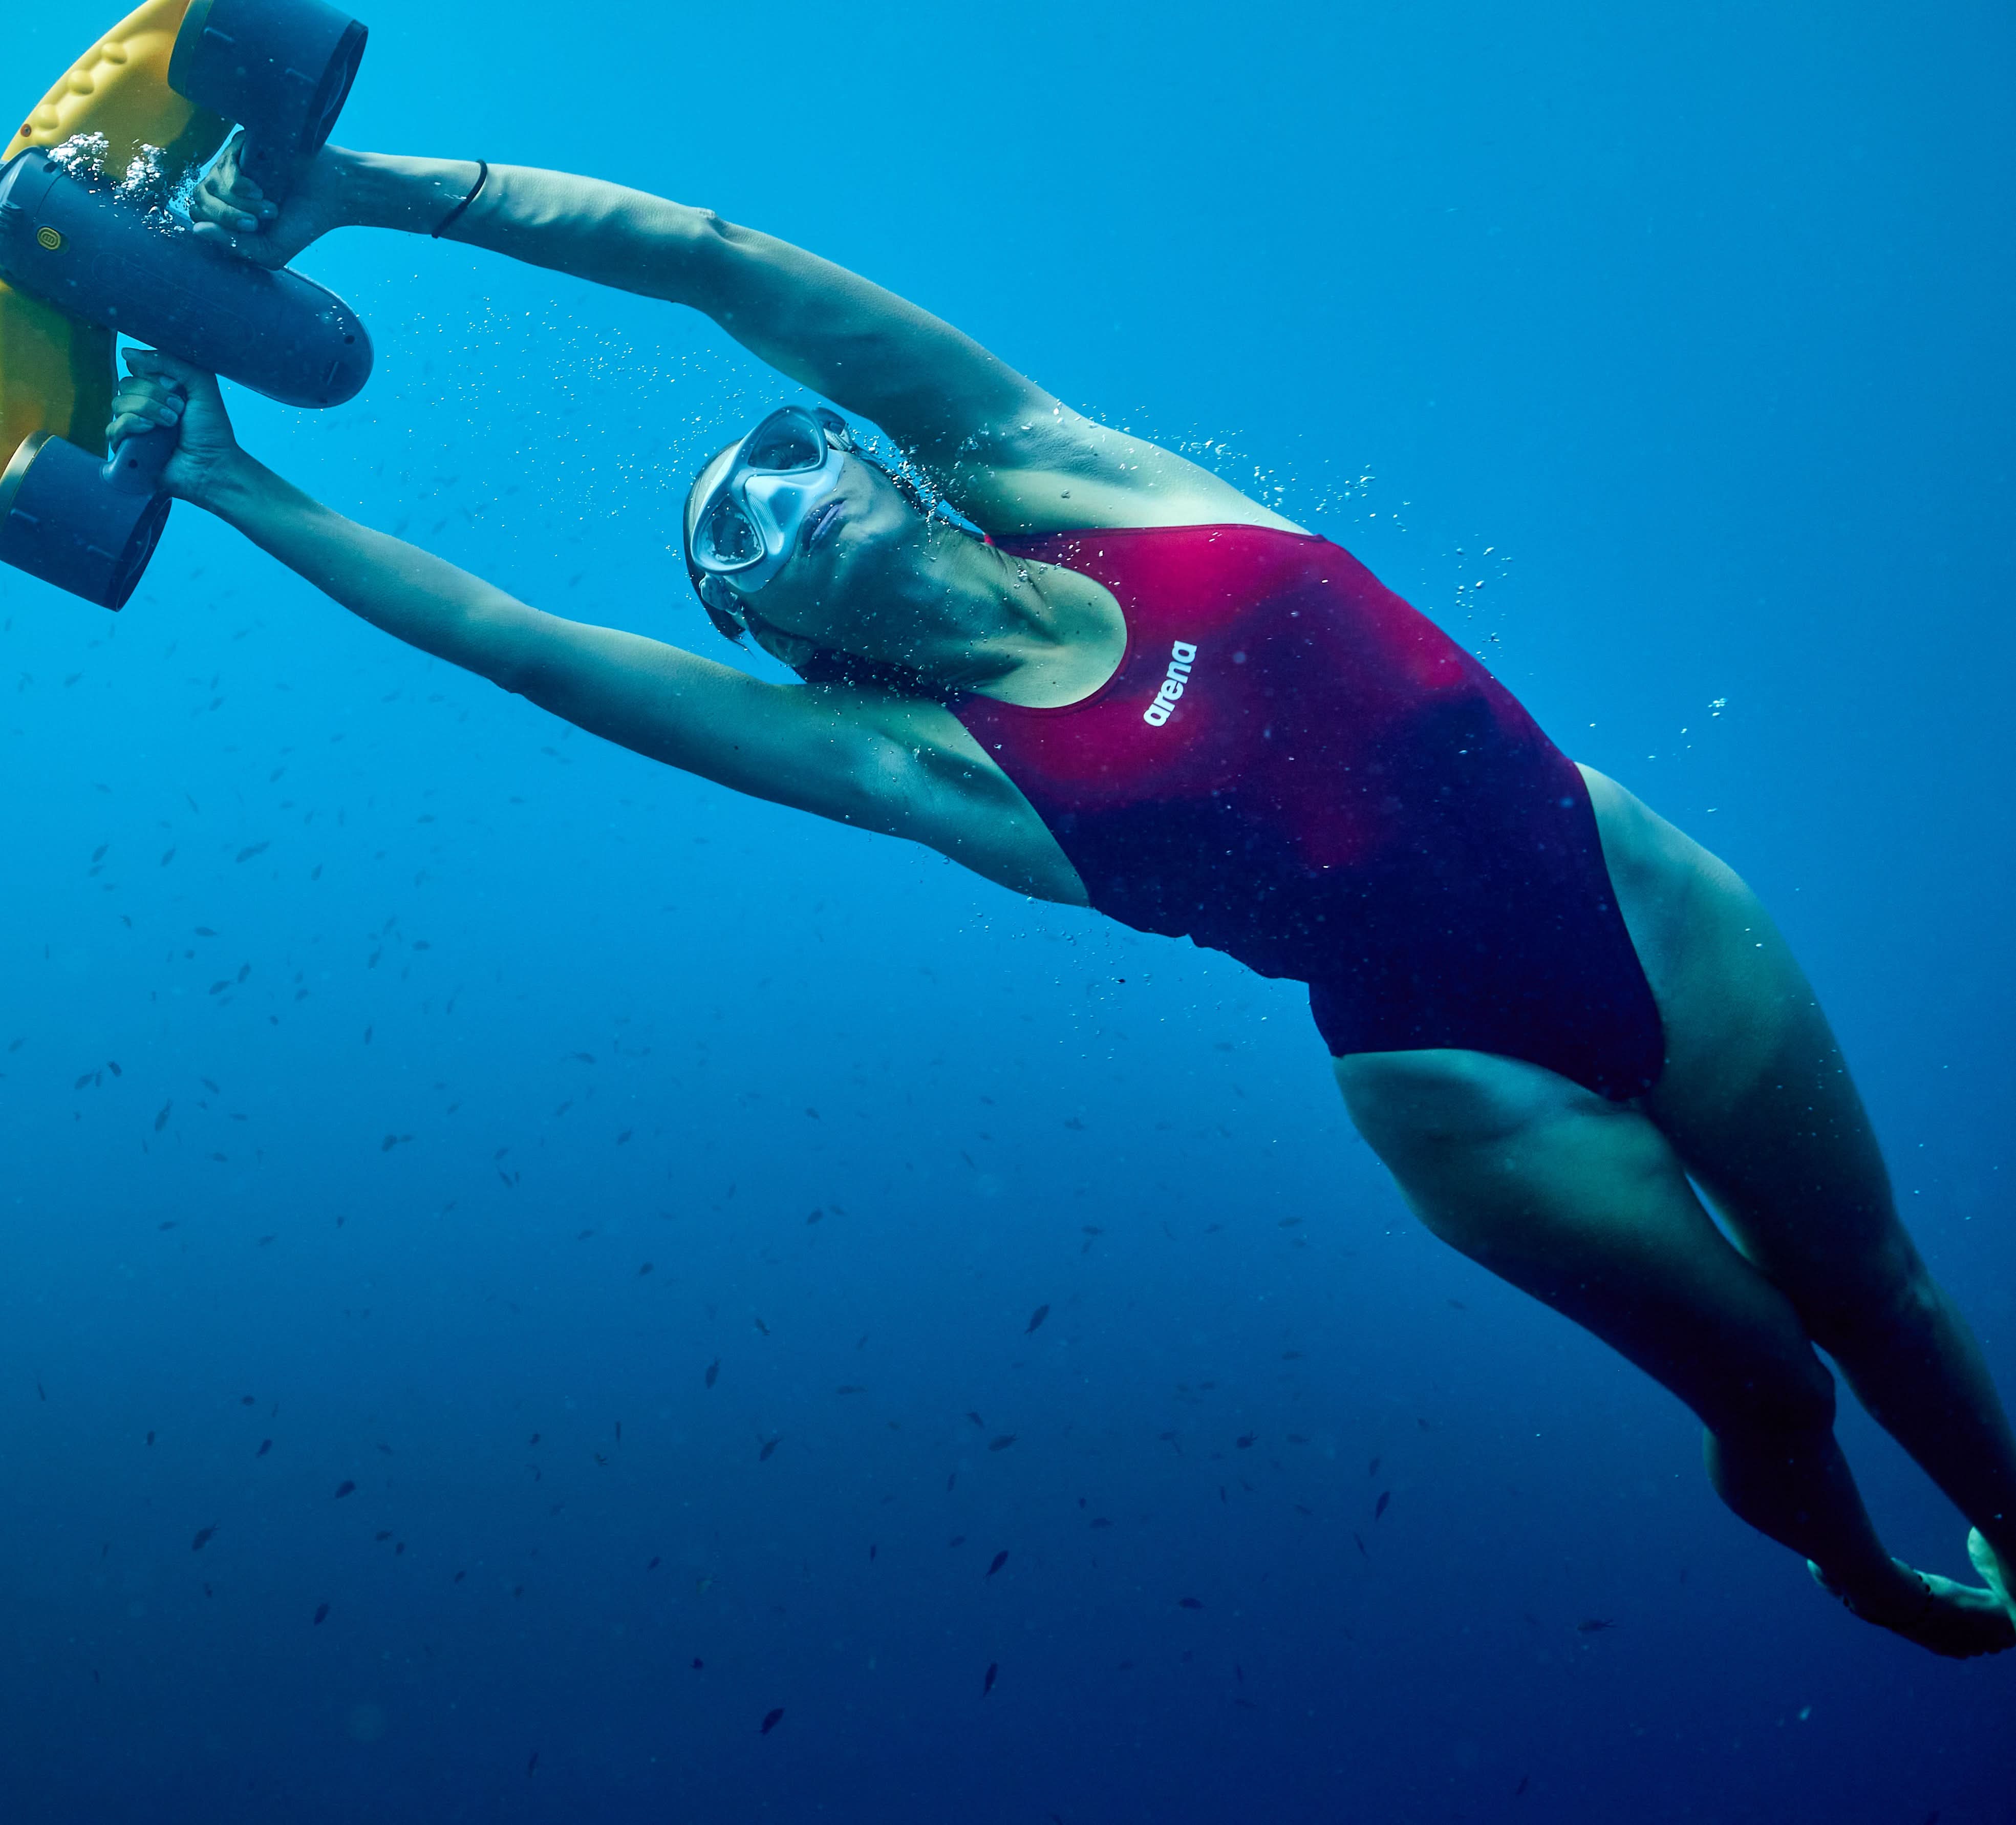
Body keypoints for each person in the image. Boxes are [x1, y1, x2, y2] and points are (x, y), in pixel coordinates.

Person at [106, 136, 2016, 1657]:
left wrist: (362, 194)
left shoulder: (1073, 471)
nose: (780, 501)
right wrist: (240, 485)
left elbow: (714, 261)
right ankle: (1852, 1568)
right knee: (1771, 1387)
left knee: (1877, 1284)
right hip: (1469, 1092)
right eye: (734, 541)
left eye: (784, 459)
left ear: (867, 448)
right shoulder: (913, 764)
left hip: (1639, 893)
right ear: (762, 632)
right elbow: (525, 647)